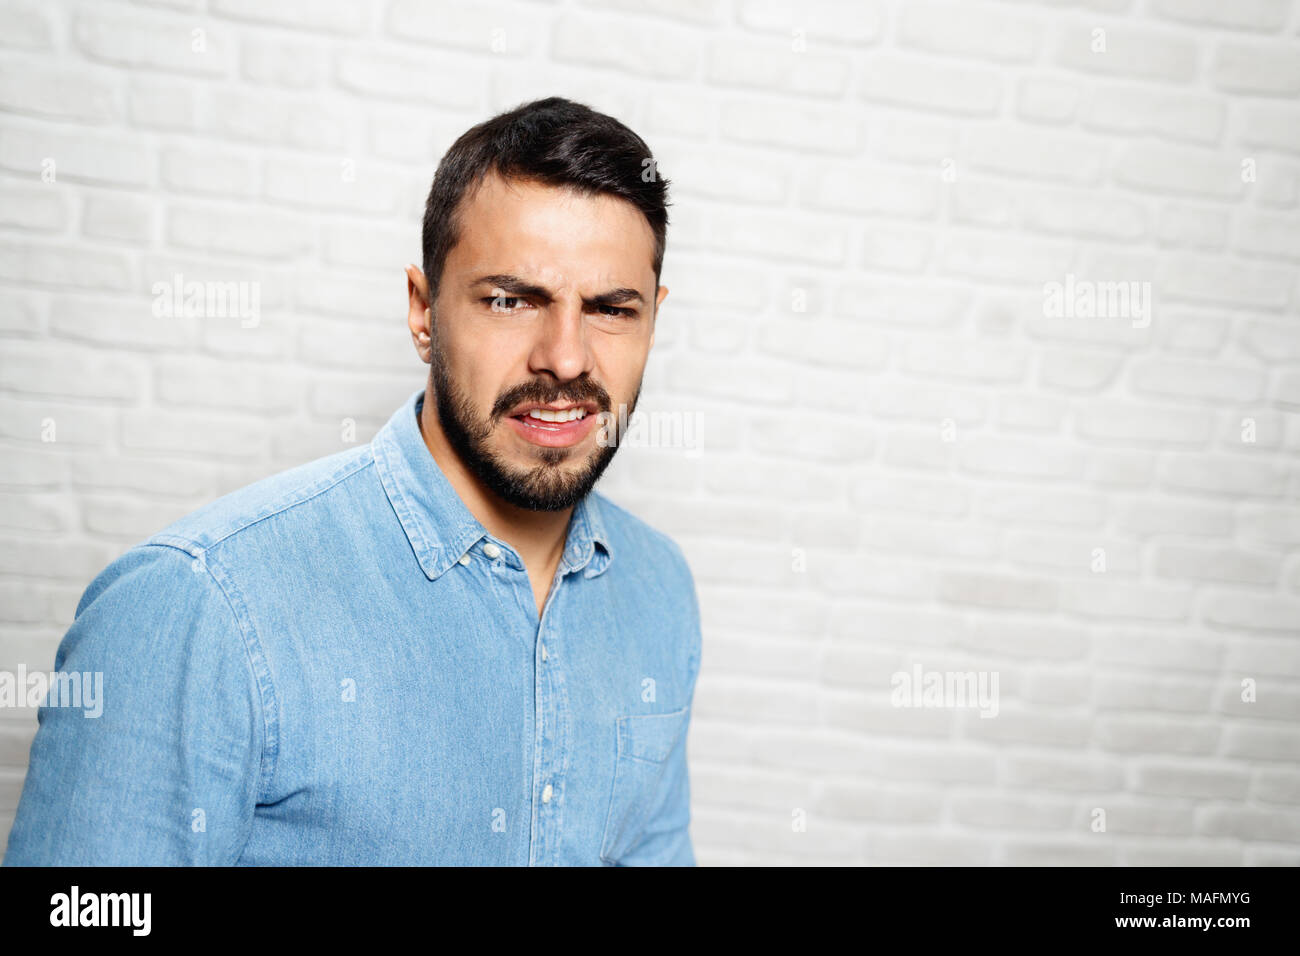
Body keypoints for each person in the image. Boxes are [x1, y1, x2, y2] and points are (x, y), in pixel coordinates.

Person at [3, 96, 701, 866]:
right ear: (423, 312)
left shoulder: (659, 591)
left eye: (610, 309)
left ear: (653, 320)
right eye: (511, 300)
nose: (565, 358)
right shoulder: (200, 607)